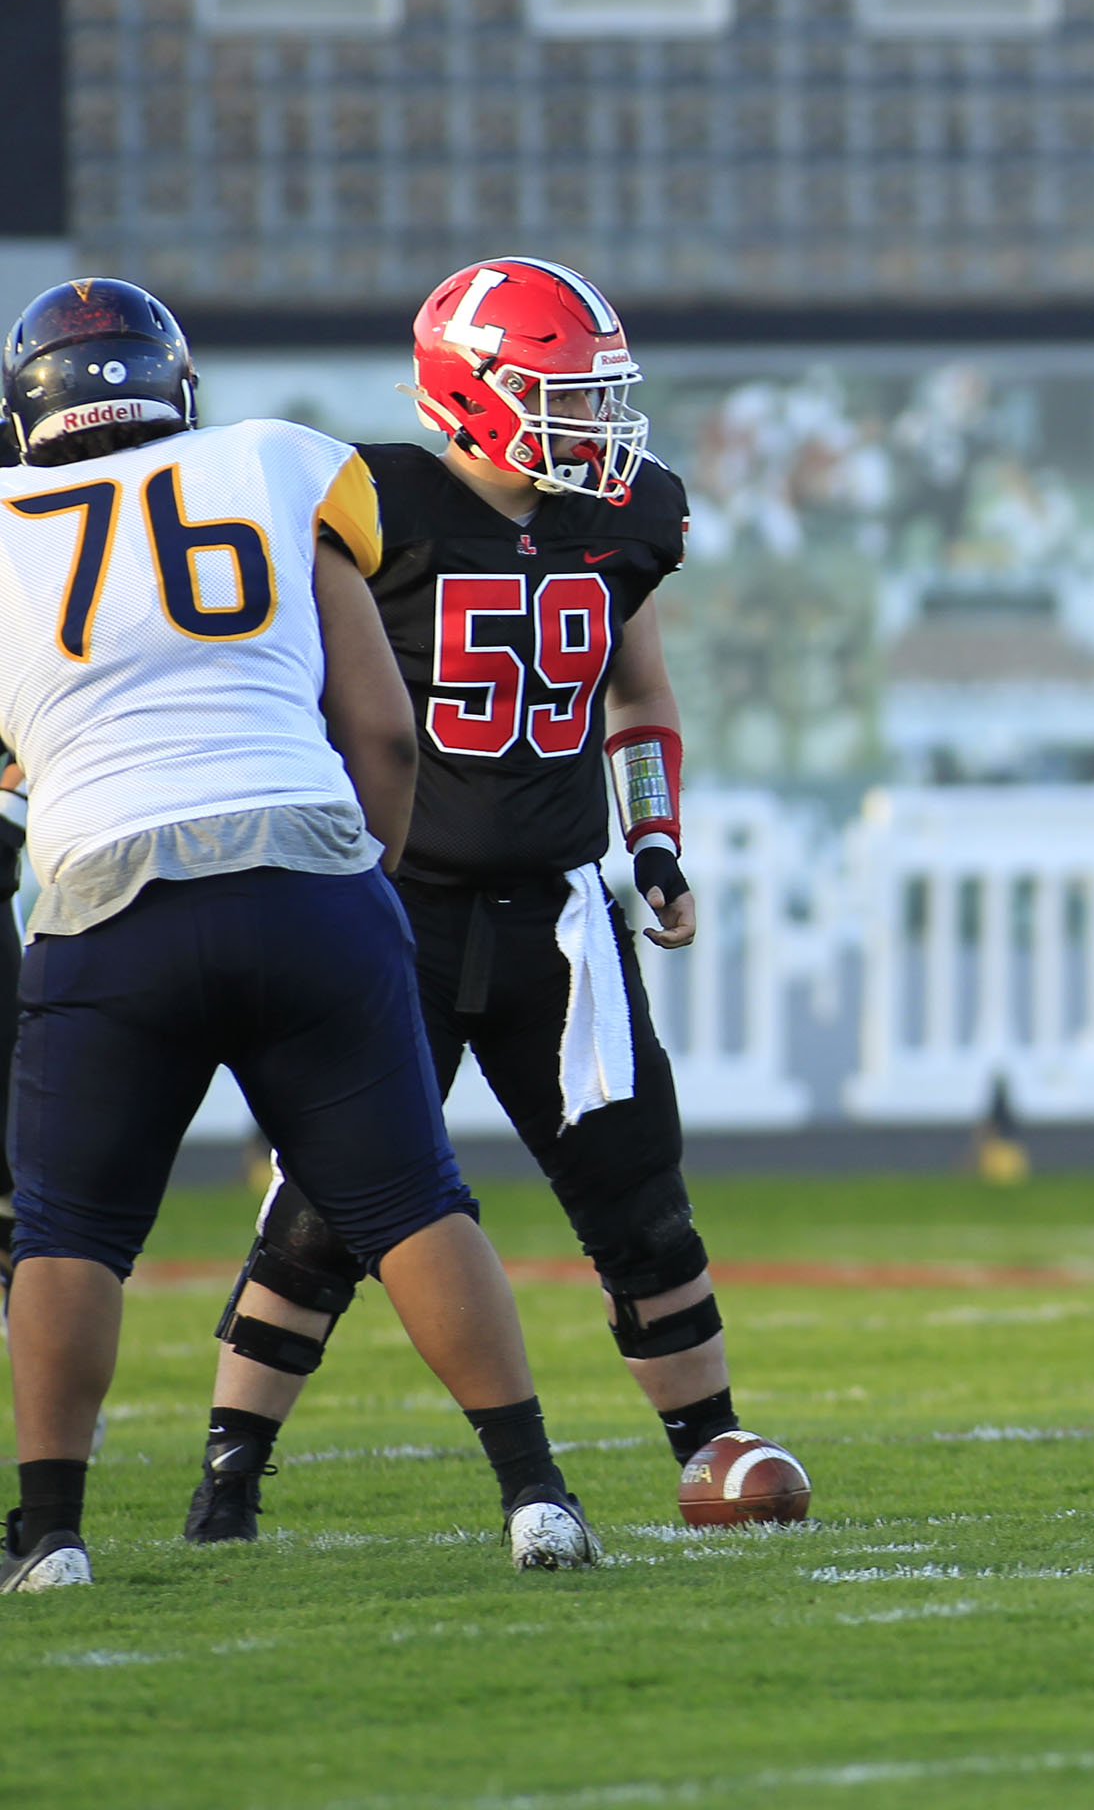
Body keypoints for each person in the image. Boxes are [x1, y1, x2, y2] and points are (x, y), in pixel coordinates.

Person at [181, 257, 800, 1543]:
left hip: (563, 916)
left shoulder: (622, 520)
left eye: (599, 393)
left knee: (639, 1194)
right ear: (473, 394)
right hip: (397, 908)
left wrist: (660, 843)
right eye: (565, 395)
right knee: (331, 1199)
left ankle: (711, 1452)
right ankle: (230, 1473)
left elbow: (635, 695)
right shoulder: (366, 507)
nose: (596, 423)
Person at [0, 279, 596, 1588]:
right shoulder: (272, 467)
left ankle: (49, 1534)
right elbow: (382, 727)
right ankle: (535, 1493)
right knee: (411, 1202)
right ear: (177, 388)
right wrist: (360, 882)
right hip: (308, 871)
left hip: (108, 897)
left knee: (69, 1229)